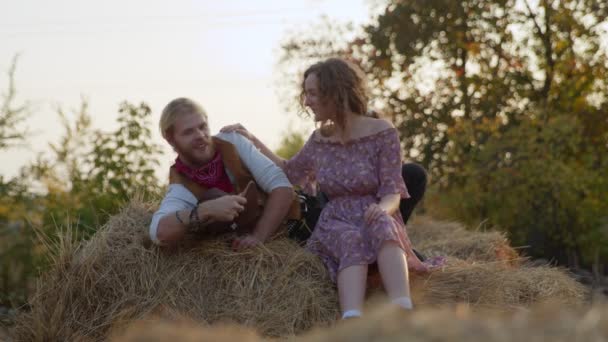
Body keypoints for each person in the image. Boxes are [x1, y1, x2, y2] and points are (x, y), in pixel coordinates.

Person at [221, 58, 443, 319]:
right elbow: (289, 170)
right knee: (351, 238)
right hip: (335, 219)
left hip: (375, 211)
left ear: (335, 92)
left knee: (383, 224)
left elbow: (393, 189)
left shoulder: (383, 132)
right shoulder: (319, 140)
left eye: (312, 93)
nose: (306, 101)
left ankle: (402, 311)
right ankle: (352, 320)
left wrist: (383, 209)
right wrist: (251, 138)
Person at [149, 98, 297, 251]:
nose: (200, 135)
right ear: (170, 138)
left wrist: (258, 237)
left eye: (202, 126)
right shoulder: (181, 185)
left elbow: (283, 188)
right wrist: (205, 210)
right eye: (188, 132)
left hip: (296, 230)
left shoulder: (232, 141)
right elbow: (159, 233)